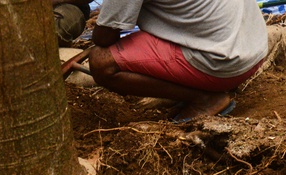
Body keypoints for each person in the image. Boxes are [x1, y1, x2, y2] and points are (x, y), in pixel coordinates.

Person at [87, 0, 268, 122]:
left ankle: (205, 99)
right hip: (254, 47)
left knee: (101, 61)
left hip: (223, 63)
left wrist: (110, 12)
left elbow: (104, 37)